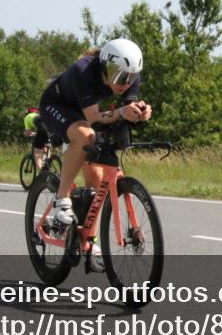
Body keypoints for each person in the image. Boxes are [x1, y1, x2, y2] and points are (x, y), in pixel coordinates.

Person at [38, 38, 152, 270]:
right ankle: (62, 200)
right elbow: (91, 118)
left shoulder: (130, 75)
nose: (125, 83)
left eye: (130, 77)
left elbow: (127, 104)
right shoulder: (84, 71)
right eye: (119, 76)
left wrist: (140, 112)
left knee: (99, 179)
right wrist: (121, 111)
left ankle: (89, 240)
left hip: (87, 112)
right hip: (57, 106)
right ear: (104, 66)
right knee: (85, 136)